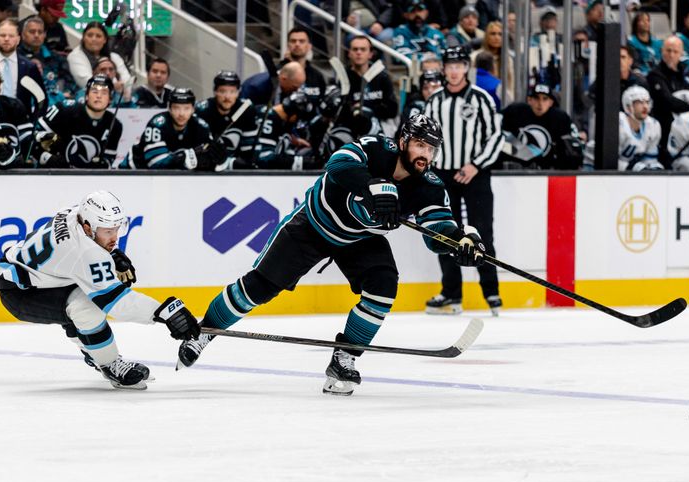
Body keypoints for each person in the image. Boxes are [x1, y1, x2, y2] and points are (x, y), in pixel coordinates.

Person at [177, 115, 486, 396]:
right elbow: (337, 164)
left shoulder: (429, 186)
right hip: (312, 225)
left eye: (431, 149)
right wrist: (372, 186)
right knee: (258, 288)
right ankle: (204, 331)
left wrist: (460, 243)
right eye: (420, 145)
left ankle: (345, 358)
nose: (425, 155)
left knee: (383, 286)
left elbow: (438, 232)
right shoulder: (377, 148)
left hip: (360, 239)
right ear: (403, 141)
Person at [0, 190, 200, 390]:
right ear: (87, 227)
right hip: (21, 294)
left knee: (82, 300)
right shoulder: (84, 253)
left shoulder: (74, 213)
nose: (115, 237)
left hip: (33, 276)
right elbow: (117, 303)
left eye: (116, 229)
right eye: (108, 231)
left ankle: (93, 350)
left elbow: (77, 255)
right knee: (87, 307)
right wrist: (165, 312)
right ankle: (109, 365)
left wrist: (110, 255)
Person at [422, 46, 503, 316]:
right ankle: (451, 293)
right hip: (443, 175)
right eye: (450, 65)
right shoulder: (434, 101)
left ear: (466, 68)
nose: (454, 70)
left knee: (482, 232)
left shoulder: (482, 98)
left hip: (476, 174)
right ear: (444, 69)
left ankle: (491, 292)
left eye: (459, 65)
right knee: (445, 233)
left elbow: (495, 136)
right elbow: (425, 139)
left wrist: (475, 164)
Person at [120, 87, 226, 170]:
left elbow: (206, 159)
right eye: (176, 108)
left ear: (193, 109)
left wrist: (217, 160)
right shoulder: (157, 124)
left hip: (171, 178)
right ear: (169, 108)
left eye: (186, 108)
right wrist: (187, 156)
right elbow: (155, 163)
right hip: (133, 172)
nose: (181, 114)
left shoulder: (201, 127)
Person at [33, 74, 122, 168]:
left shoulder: (115, 125)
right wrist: (47, 158)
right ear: (86, 96)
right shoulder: (63, 109)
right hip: (52, 176)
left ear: (110, 99)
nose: (99, 96)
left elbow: (108, 159)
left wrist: (103, 164)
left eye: (104, 92)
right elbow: (33, 138)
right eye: (94, 91)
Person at [500, 83, 581, 170]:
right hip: (514, 173)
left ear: (551, 102)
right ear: (529, 100)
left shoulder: (560, 118)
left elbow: (573, 147)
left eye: (545, 99)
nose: (540, 103)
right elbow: (496, 136)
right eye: (536, 98)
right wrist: (523, 155)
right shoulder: (514, 112)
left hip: (549, 172)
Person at [0, 19, 46, 116]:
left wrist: (33, 123)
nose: (7, 39)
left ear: (18, 39)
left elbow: (42, 99)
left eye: (11, 36)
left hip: (20, 123)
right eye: (3, 35)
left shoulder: (29, 67)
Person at [238, 89, 318, 170]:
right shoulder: (271, 122)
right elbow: (263, 159)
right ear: (293, 115)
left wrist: (294, 140)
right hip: (252, 174)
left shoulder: (261, 109)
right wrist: (303, 162)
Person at [336, 35, 398, 138]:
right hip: (351, 133)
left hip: (378, 131)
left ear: (370, 54)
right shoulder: (343, 79)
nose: (359, 52)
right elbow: (340, 114)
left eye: (363, 49)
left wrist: (367, 109)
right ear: (349, 53)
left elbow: (393, 110)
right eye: (355, 49)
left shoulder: (382, 77)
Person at [647, 35, 689, 167]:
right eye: (668, 50)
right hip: (664, 125)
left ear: (681, 54)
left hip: (686, 127)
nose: (671, 55)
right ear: (662, 51)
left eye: (675, 51)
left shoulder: (687, 74)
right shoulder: (655, 74)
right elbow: (667, 101)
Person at [195, 70, 257, 162]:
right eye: (222, 91)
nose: (227, 97)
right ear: (215, 91)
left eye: (232, 91)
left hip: (235, 165)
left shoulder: (246, 109)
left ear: (238, 93)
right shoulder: (202, 110)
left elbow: (249, 148)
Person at [17, 15, 76, 107]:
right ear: (23, 35)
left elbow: (70, 83)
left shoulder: (56, 58)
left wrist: (65, 93)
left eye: (40, 32)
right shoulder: (15, 57)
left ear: (44, 35)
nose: (36, 35)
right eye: (32, 32)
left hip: (54, 104)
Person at [67, 21, 132, 93]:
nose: (94, 39)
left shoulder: (115, 57)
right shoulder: (75, 56)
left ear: (105, 40)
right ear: (84, 38)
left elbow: (127, 81)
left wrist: (122, 86)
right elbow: (86, 82)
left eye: (98, 36)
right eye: (89, 35)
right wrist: (113, 86)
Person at [618, 85, 663, 170]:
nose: (645, 106)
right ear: (628, 106)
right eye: (640, 102)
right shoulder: (619, 124)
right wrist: (630, 167)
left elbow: (650, 159)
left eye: (647, 102)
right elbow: (608, 161)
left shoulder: (653, 125)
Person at [281, 27, 326, 104]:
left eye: (301, 41)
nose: (297, 44)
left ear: (309, 46)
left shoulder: (317, 76)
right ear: (288, 45)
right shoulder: (279, 72)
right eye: (293, 41)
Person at [240, 61, 305, 106]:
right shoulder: (255, 87)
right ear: (284, 79)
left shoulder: (289, 87)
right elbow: (239, 113)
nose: (297, 91)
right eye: (294, 87)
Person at [481, 21, 513, 103]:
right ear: (487, 36)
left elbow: (511, 85)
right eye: (493, 34)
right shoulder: (475, 57)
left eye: (500, 34)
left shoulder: (508, 59)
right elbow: (472, 81)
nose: (496, 37)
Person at [628, 11, 663, 76]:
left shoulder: (658, 42)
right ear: (636, 24)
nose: (646, 23)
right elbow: (635, 64)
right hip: (644, 75)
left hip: (660, 75)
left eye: (647, 20)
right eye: (642, 20)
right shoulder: (632, 42)